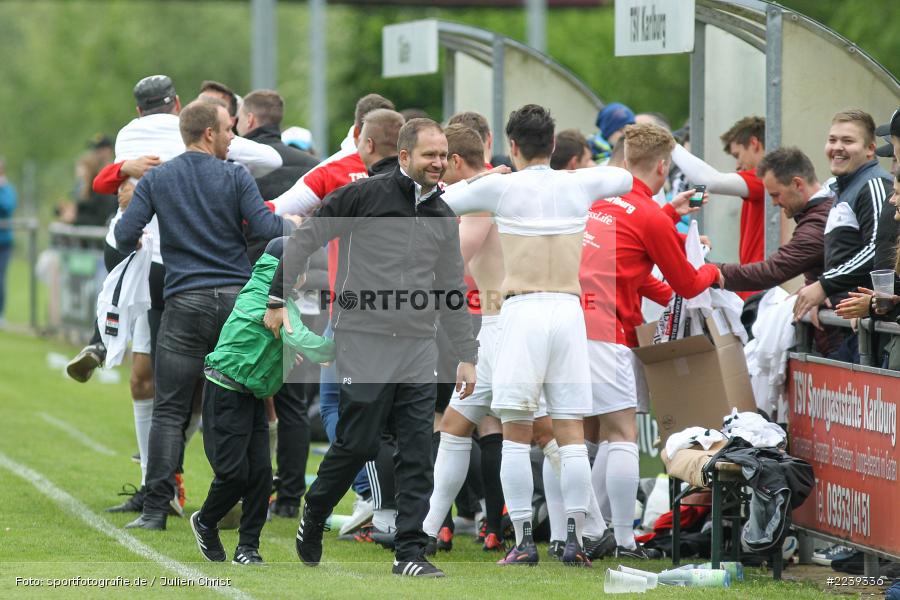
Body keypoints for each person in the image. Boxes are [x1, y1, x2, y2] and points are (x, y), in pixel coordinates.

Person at [265, 118, 478, 578]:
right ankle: (315, 512)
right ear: (404, 157)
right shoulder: (364, 195)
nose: (439, 163)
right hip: (362, 339)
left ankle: (409, 552)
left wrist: (466, 354)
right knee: (358, 441)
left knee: (419, 447)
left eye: (443, 156)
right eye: (429, 155)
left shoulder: (442, 215)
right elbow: (304, 238)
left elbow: (451, 287)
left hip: (419, 345)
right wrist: (278, 297)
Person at [441, 104, 634, 567]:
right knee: (569, 433)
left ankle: (525, 540)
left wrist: (479, 182)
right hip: (569, 311)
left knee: (515, 431)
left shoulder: (501, 186)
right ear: (552, 145)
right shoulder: (579, 183)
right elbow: (625, 179)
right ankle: (574, 539)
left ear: (511, 146)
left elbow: (440, 202)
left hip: (522, 311)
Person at [115, 100, 296, 530]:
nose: (233, 138)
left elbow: (124, 237)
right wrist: (293, 225)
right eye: (229, 131)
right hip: (236, 304)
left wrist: (138, 229)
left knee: (169, 409)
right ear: (209, 134)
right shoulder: (234, 175)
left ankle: (156, 509)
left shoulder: (157, 179)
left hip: (184, 302)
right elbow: (268, 230)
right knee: (248, 405)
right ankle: (250, 506)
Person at [580, 123, 721, 558]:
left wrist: (672, 215)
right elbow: (687, 282)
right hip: (608, 331)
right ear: (663, 167)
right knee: (620, 434)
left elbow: (634, 267)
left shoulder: (603, 202)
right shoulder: (646, 215)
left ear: (625, 160)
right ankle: (619, 537)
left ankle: (579, 531)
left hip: (571, 324)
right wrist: (716, 271)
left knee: (576, 435)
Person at [270, 93, 396, 536]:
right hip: (408, 309)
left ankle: (378, 502)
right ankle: (397, 507)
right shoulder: (418, 178)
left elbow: (278, 210)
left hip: (353, 307)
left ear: (361, 135)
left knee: (341, 406)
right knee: (402, 415)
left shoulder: (340, 172)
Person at [190, 237, 334, 566]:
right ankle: (206, 522)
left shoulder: (264, 293)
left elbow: (267, 342)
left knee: (260, 475)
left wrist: (285, 352)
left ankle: (248, 547)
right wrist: (340, 346)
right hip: (224, 391)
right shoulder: (271, 301)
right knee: (234, 474)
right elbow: (304, 339)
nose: (304, 277)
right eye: (302, 269)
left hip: (249, 396)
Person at [422, 123, 507, 553]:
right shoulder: (499, 183)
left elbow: (459, 259)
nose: (437, 169)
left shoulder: (479, 194)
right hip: (479, 317)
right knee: (477, 422)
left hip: (475, 319)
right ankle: (475, 523)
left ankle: (452, 525)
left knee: (454, 421)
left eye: (441, 161)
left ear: (456, 160)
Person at [793, 110, 894, 334]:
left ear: (870, 149)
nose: (837, 147)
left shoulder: (874, 183)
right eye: (832, 140)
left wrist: (824, 285)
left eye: (848, 141)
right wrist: (821, 288)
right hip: (847, 322)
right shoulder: (843, 187)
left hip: (868, 328)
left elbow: (878, 250)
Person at [670, 116, 767, 298]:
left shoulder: (761, 179)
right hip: (754, 286)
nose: (738, 165)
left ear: (754, 143)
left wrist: (670, 145)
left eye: (738, 155)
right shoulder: (760, 182)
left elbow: (712, 181)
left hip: (759, 290)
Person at [236, 89, 318, 202]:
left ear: (249, 119)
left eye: (239, 118)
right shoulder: (316, 167)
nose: (235, 124)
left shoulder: (237, 165)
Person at [0, 158, 16, 328]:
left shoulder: (7, 189)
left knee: (0, 278)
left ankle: (0, 314)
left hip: (3, 242)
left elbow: (8, 206)